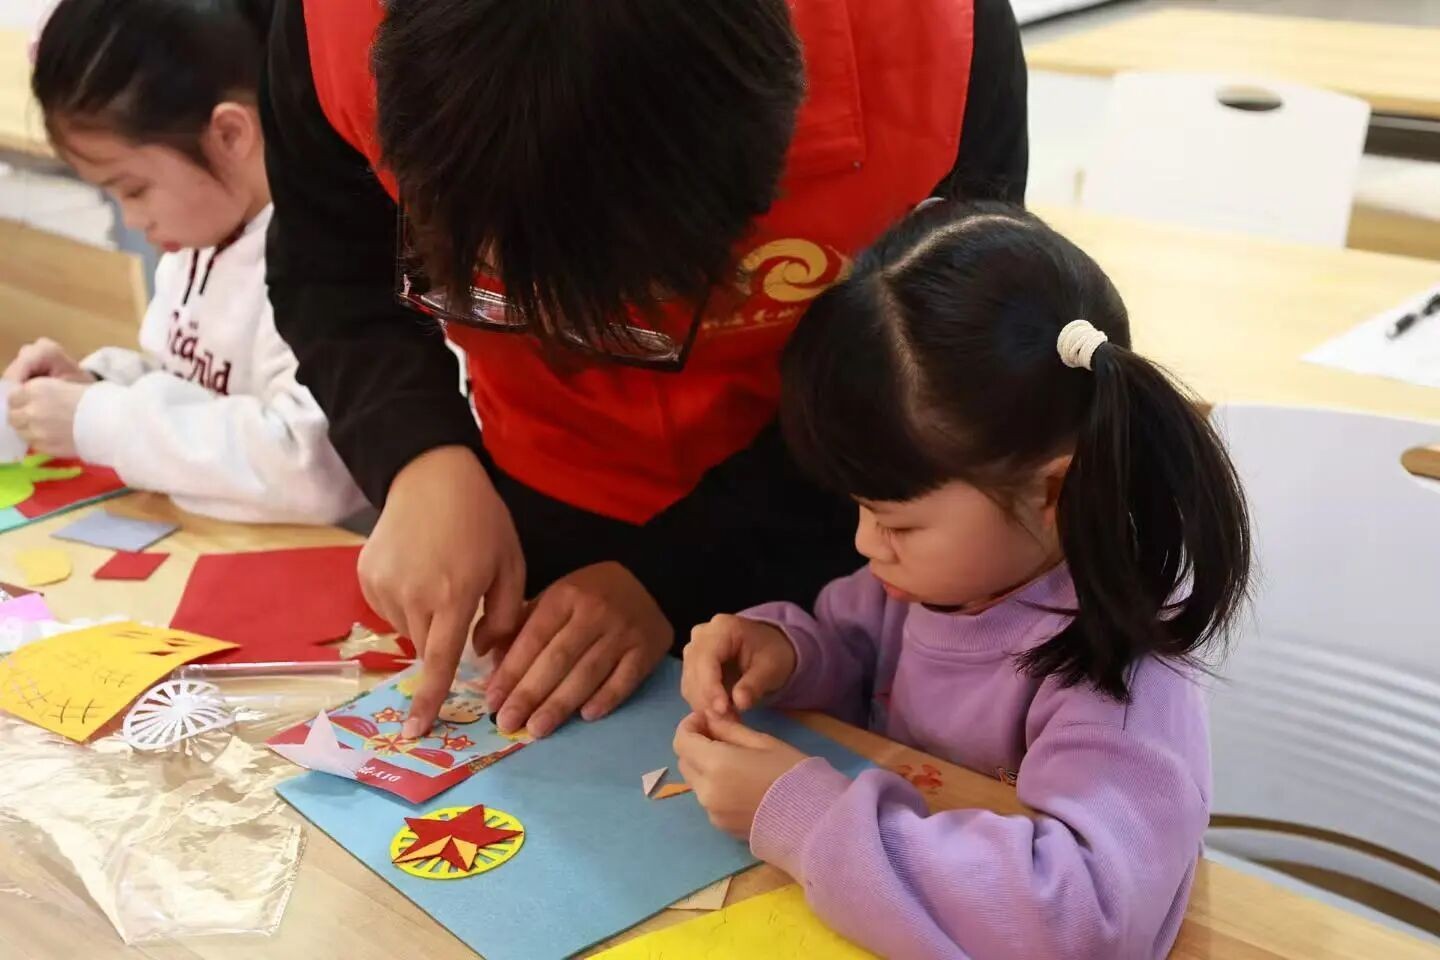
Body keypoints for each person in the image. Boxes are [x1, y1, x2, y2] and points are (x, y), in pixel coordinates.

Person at [262, 0, 1029, 738]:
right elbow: (330, 266)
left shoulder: (937, 42)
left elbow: (935, 377)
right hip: (522, 505)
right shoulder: (333, 23)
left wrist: (675, 570)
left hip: (825, 511)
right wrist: (418, 458)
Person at [674, 202, 1252, 959]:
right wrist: (784, 651)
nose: (864, 543)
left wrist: (805, 819)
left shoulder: (1122, 669)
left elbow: (1079, 920)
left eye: (897, 522)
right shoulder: (934, 578)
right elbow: (854, 649)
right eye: (859, 508)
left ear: (1052, 492)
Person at [5, 0, 365, 526]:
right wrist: (96, 385)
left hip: (329, 555)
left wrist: (103, 420)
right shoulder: (199, 240)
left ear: (230, 135)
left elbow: (311, 468)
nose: (132, 220)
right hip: (219, 541)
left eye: (134, 190)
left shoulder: (326, 261)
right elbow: (188, 385)